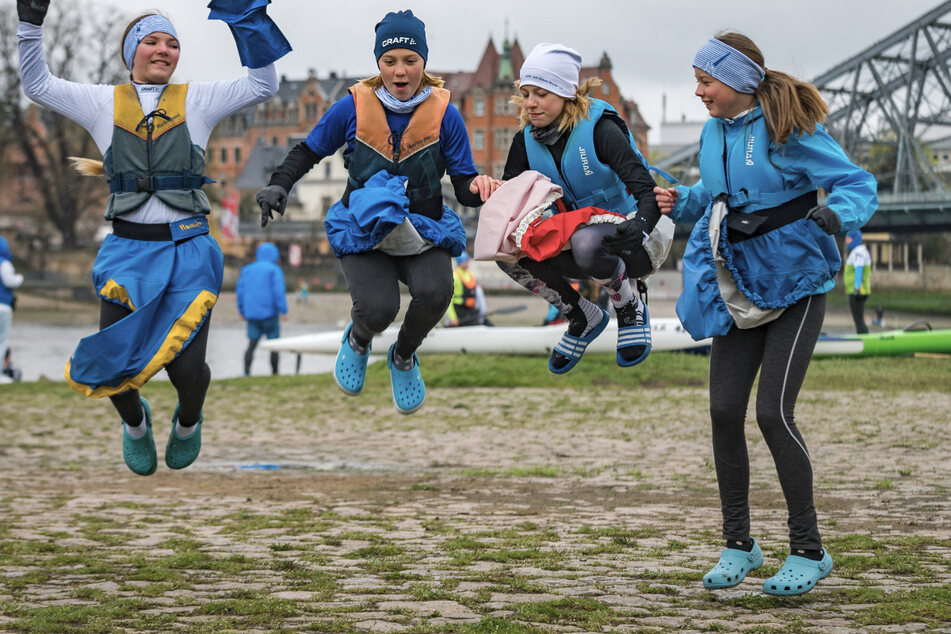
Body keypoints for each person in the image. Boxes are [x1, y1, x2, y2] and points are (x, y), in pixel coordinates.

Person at [18, 0, 288, 475]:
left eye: (172, 43)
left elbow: (263, 84)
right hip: (127, 252)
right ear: (131, 53)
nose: (164, 50)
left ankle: (187, 421)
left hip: (188, 252)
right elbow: (37, 85)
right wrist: (29, 23)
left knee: (186, 372)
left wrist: (248, 20)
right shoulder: (103, 103)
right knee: (114, 366)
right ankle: (137, 424)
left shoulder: (198, 100)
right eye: (152, 41)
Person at [654, 32, 877, 595]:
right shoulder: (711, 133)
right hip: (741, 288)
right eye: (698, 80)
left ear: (738, 82)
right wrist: (683, 200)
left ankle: (809, 549)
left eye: (706, 81)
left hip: (799, 285)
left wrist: (840, 215)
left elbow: (856, 181)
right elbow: (719, 192)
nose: (698, 90)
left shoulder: (788, 130)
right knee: (724, 412)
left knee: (773, 414)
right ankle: (740, 544)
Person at [256, 10, 500, 414]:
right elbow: (308, 150)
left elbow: (463, 184)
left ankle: (403, 356)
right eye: (390, 62)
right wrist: (280, 183)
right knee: (379, 308)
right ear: (378, 64)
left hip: (424, 227)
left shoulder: (447, 115)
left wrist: (479, 190)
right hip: (364, 226)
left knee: (438, 293)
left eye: (410, 61)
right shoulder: (352, 107)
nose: (400, 72)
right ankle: (358, 339)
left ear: (424, 62)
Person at [494, 43, 667, 374]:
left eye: (541, 94)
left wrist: (640, 226)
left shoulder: (601, 129)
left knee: (589, 241)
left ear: (566, 93)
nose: (530, 103)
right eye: (526, 93)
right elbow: (510, 202)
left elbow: (648, 190)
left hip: (633, 239)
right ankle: (581, 314)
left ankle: (629, 305)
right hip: (579, 240)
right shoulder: (524, 140)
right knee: (503, 245)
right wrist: (480, 190)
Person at [236, 241, 288, 375]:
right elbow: (279, 291)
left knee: (251, 345)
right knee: (274, 346)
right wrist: (283, 311)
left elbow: (240, 291)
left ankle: (246, 373)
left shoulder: (247, 269)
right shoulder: (274, 269)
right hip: (270, 315)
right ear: (274, 255)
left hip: (252, 314)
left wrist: (241, 310)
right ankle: (275, 373)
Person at [0, 235, 24, 385]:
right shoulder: (4, 263)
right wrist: (19, 278)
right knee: (2, 341)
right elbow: (10, 281)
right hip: (3, 306)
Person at [446, 251, 490, 327]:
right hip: (459, 311)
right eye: (466, 261)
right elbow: (449, 301)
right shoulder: (455, 277)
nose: (467, 262)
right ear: (461, 262)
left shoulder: (469, 274)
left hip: (470, 310)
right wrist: (453, 318)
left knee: (488, 324)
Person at [844, 230, 871, 333]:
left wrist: (857, 289)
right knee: (858, 319)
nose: (846, 241)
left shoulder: (858, 252)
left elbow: (859, 270)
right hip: (857, 290)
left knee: (858, 320)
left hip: (858, 291)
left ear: (854, 238)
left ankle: (864, 342)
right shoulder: (859, 251)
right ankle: (863, 338)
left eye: (848, 238)